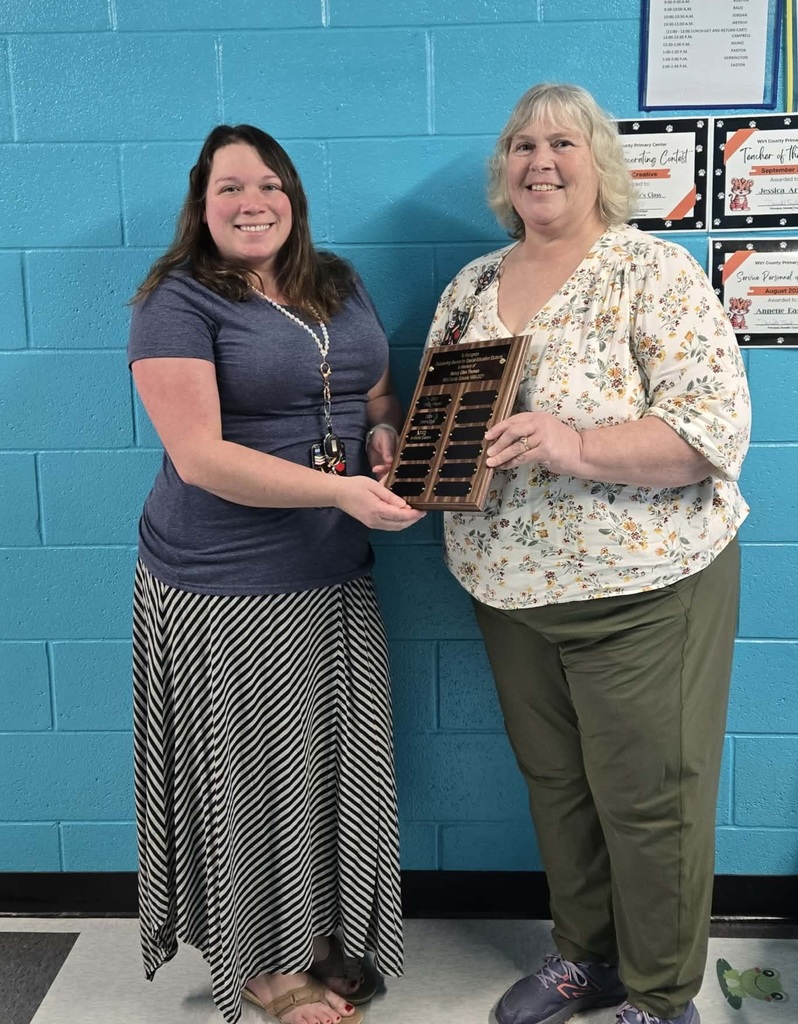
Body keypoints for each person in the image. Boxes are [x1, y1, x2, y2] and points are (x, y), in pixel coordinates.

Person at [426, 84, 751, 1024]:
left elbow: (711, 431)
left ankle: (657, 996)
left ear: (598, 160)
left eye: (561, 142)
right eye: (520, 144)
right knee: (559, 788)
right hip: (506, 586)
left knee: (651, 802)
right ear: (503, 171)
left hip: (644, 586)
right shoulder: (473, 286)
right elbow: (446, 420)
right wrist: (406, 460)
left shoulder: (651, 273)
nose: (539, 161)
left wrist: (575, 442)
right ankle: (584, 958)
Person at [127, 123, 424, 1024]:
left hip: (332, 570)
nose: (250, 203)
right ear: (201, 204)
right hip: (221, 579)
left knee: (325, 768)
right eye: (228, 189)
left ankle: (316, 931)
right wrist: (340, 495)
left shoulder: (334, 281)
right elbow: (201, 455)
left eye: (267, 185)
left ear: (291, 196)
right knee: (249, 777)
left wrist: (383, 435)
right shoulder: (176, 301)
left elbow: (373, 393)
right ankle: (260, 964)